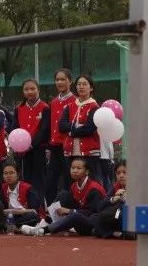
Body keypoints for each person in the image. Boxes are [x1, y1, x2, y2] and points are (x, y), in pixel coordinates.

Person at [21, 157, 106, 237]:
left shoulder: (94, 188)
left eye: (78, 168)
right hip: (79, 218)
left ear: (87, 171)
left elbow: (93, 212)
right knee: (63, 194)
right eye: (72, 168)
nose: (74, 171)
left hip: (93, 224)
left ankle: (42, 230)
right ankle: (48, 220)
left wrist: (69, 211)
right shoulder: (74, 186)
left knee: (74, 215)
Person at [58, 75, 104, 188]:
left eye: (84, 84)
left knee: (92, 182)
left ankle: (94, 205)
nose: (81, 87)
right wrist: (78, 127)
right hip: (70, 152)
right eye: (79, 84)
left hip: (90, 153)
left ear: (91, 88)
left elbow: (90, 128)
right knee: (69, 183)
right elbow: (61, 126)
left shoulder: (95, 107)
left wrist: (71, 130)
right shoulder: (69, 107)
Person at [13, 79, 50, 194]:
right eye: (26, 89)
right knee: (25, 178)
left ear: (38, 90)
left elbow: (44, 130)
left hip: (38, 148)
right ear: (23, 92)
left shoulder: (45, 107)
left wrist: (32, 144)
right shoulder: (19, 108)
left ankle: (40, 208)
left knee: (39, 178)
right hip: (22, 150)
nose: (30, 92)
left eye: (33, 89)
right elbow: (15, 127)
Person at [45, 69, 75, 206]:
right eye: (57, 79)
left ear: (70, 81)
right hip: (55, 147)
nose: (60, 82)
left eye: (63, 79)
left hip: (69, 147)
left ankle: (68, 210)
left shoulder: (75, 101)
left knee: (69, 181)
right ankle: (51, 211)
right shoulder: (54, 102)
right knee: (50, 181)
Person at [0, 160, 43, 232]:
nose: (8, 176)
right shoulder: (2, 188)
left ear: (18, 175)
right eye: (5, 173)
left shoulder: (27, 188)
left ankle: (10, 227)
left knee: (33, 217)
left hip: (24, 216)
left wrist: (14, 211)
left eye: (11, 173)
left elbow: (34, 211)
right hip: (9, 217)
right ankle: (15, 228)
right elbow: (0, 209)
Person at [94, 159, 128, 239]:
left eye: (124, 172)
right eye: (118, 173)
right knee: (97, 219)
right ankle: (117, 234)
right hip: (116, 214)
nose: (121, 175)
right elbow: (100, 205)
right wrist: (113, 198)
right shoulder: (116, 187)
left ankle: (116, 233)